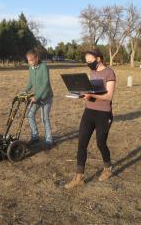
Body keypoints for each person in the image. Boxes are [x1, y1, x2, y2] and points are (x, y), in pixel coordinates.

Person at [65, 49, 116, 189]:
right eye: (86, 62)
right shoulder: (92, 73)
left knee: (101, 143)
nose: (88, 64)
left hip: (104, 113)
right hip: (89, 112)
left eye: (90, 61)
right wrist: (81, 94)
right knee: (82, 143)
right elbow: (91, 91)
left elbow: (109, 96)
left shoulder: (109, 73)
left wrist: (92, 96)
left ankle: (107, 168)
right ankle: (79, 177)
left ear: (98, 59)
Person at [24, 49, 54, 149]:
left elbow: (45, 83)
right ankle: (35, 135)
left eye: (31, 60)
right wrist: (24, 92)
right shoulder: (31, 68)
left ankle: (49, 140)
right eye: (28, 60)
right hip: (37, 97)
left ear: (36, 58)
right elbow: (30, 82)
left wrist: (36, 97)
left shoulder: (44, 67)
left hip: (46, 97)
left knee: (44, 118)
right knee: (29, 114)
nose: (29, 62)